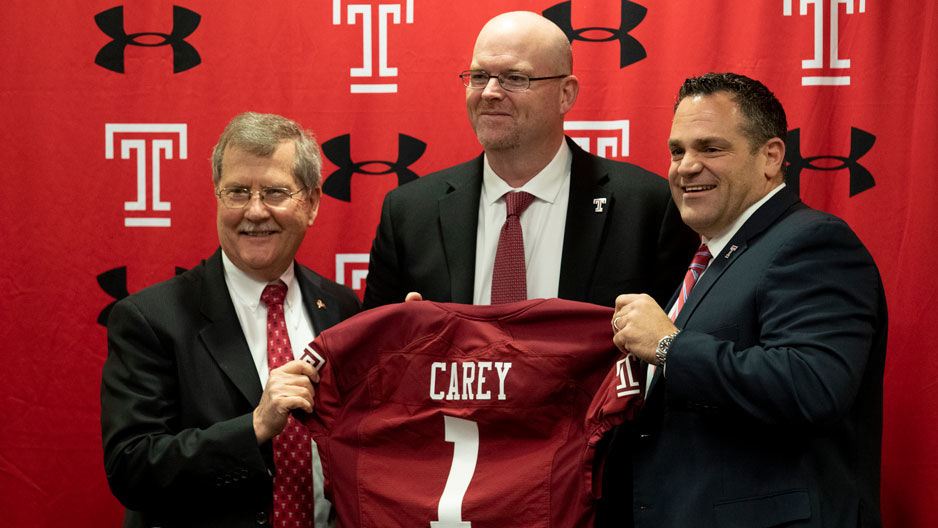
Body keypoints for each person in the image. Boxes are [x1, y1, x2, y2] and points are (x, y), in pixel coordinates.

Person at [605, 73, 887, 527]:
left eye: (710, 148)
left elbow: (813, 385)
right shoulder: (711, 257)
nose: (685, 167)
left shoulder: (812, 242)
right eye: (677, 150)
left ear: (771, 157)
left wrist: (668, 347)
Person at [101, 112, 361, 528]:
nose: (255, 212)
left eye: (275, 192)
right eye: (238, 192)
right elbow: (132, 468)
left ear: (311, 203)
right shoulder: (150, 319)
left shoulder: (344, 308)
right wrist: (255, 426)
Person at [363, 11, 697, 309]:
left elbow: (670, 349)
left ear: (565, 94)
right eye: (479, 77)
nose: (490, 92)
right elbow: (371, 356)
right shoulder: (409, 212)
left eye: (514, 78)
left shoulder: (647, 207)